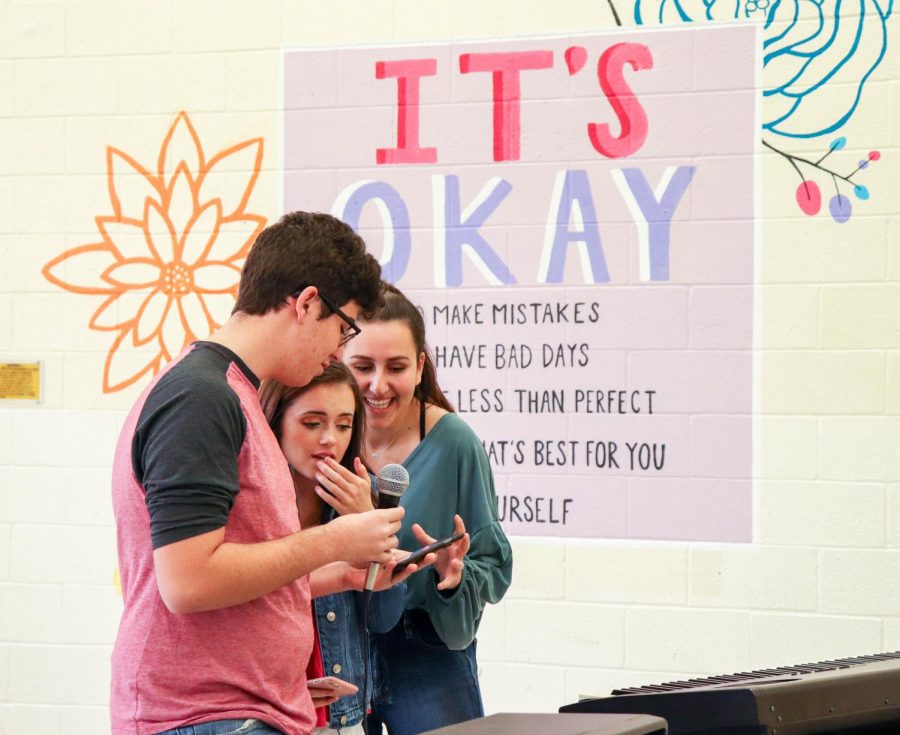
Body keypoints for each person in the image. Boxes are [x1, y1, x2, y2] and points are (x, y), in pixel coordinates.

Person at [111, 212, 422, 735]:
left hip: (238, 710)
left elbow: (238, 569)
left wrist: (340, 575)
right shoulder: (201, 399)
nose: (339, 351)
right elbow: (189, 582)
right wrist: (331, 540)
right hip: (206, 717)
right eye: (343, 328)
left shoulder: (233, 394)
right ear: (305, 303)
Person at [343, 284, 514, 735]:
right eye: (362, 366)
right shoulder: (324, 436)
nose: (377, 385)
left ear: (420, 366)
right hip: (339, 648)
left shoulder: (455, 442)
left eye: (396, 367)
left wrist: (454, 577)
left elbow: (493, 565)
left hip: (426, 652)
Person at [258, 363, 410, 735]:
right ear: (273, 423)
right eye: (313, 423)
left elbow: (384, 618)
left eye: (343, 425)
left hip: (343, 718)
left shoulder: (367, 494)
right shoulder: (251, 505)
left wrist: (364, 521)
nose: (330, 439)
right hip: (264, 715)